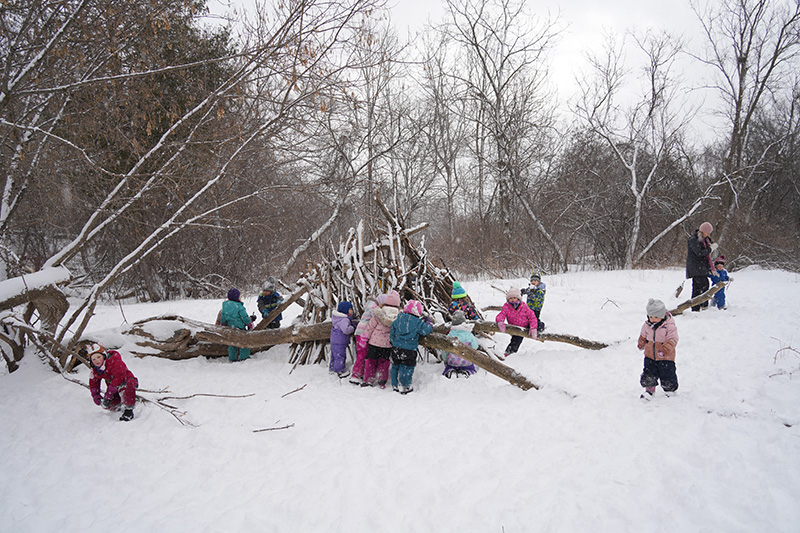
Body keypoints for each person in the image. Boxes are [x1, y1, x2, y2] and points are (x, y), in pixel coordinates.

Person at [389, 299, 434, 394]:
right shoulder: (417, 322)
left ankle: (395, 384)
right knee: (407, 366)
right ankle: (405, 385)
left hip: (396, 347)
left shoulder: (399, 318)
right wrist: (429, 323)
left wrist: (392, 341)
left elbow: (392, 329)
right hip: (409, 350)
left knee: (395, 365)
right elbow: (426, 330)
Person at [637, 298, 679, 399]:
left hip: (665, 356)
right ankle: (649, 391)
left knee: (667, 374)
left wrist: (666, 348)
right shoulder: (647, 325)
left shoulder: (669, 326)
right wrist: (641, 342)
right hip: (650, 355)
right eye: (650, 316)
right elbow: (643, 335)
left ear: (662, 315)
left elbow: (673, 338)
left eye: (656, 317)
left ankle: (670, 390)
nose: (653, 319)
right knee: (649, 373)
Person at [86, 343, 139, 421]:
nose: (96, 360)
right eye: (93, 359)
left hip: (126, 381)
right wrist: (96, 395)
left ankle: (128, 411)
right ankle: (117, 406)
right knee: (108, 403)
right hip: (113, 388)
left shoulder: (114, 362)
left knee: (126, 387)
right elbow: (94, 383)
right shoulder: (96, 369)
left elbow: (120, 377)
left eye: (98, 357)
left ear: (104, 356)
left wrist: (109, 393)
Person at [362, 289, 401, 388]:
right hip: (387, 345)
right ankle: (381, 380)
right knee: (384, 362)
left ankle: (368, 380)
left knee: (371, 361)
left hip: (374, 343)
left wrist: (364, 337)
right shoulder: (399, 316)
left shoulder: (379, 312)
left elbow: (370, 326)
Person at [350, 294, 385, 385]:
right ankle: (355, 375)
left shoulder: (370, 306)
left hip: (360, 333)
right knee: (362, 354)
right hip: (363, 334)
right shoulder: (374, 310)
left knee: (362, 354)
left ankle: (360, 372)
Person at [495, 287, 538, 357]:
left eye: (514, 298)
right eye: (510, 298)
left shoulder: (524, 306)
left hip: (526, 324)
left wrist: (533, 327)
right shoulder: (506, 306)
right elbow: (501, 314)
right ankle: (508, 353)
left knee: (538, 324)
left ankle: (541, 327)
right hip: (516, 328)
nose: (512, 300)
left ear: (518, 298)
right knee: (515, 341)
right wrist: (500, 321)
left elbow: (532, 316)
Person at [686, 222, 718, 311]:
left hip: (702, 267)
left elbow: (706, 252)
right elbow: (699, 253)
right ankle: (697, 306)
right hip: (695, 267)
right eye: (707, 232)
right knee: (701, 286)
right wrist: (710, 249)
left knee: (702, 286)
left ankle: (700, 305)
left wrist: (711, 246)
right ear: (702, 231)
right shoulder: (694, 240)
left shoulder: (706, 239)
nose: (708, 234)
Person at [220, 287, 255, 362]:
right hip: (240, 328)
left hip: (230, 328)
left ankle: (232, 358)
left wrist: (223, 325)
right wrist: (249, 323)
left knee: (232, 343)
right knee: (244, 342)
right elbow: (245, 318)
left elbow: (223, 317)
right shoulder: (239, 307)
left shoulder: (225, 307)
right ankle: (244, 357)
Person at [441, 310, 478, 378]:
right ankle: (467, 371)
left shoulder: (449, 335)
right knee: (470, 366)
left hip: (452, 362)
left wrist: (445, 360)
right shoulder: (469, 335)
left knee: (449, 366)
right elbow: (475, 346)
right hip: (466, 362)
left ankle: (450, 371)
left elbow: (444, 350)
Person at [330, 301, 356, 377]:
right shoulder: (344, 320)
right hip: (340, 341)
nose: (352, 311)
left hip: (334, 340)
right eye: (350, 309)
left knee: (334, 355)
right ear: (346, 310)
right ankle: (339, 371)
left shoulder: (337, 318)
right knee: (340, 356)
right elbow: (346, 330)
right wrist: (352, 328)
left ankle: (332, 368)